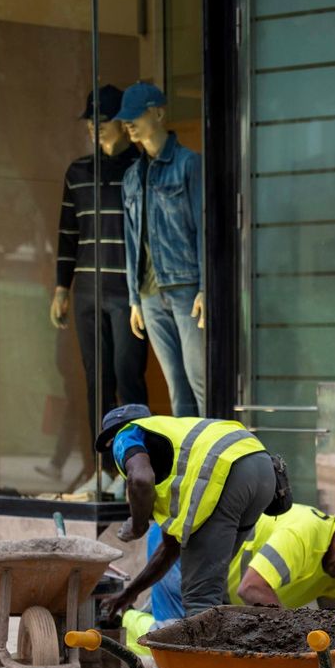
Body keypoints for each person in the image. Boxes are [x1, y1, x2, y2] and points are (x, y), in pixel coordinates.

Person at [97, 404, 290, 620]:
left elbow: (140, 479)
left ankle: (204, 653)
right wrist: (129, 594)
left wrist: (137, 526)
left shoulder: (126, 434)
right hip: (261, 468)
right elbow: (169, 550)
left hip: (224, 474)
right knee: (210, 587)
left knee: (200, 598)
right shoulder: (172, 443)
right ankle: (231, 647)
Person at [50, 85, 147, 495]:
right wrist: (61, 288)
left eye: (101, 119)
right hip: (88, 290)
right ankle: (103, 469)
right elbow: (68, 232)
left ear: (121, 124)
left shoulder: (140, 169)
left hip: (126, 293)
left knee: (130, 381)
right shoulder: (77, 172)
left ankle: (137, 470)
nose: (94, 126)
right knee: (97, 383)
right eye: (90, 120)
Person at [120, 505, 335, 652]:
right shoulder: (303, 535)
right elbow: (252, 588)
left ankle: (146, 609)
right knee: (176, 642)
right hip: (184, 553)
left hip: (217, 581)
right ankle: (124, 622)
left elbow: (332, 622)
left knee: (205, 640)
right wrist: (293, 639)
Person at [114, 82, 208, 417]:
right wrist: (134, 298)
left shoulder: (189, 165)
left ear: (158, 112)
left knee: (201, 382)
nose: (129, 124)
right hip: (150, 296)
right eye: (125, 119)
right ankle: (189, 463)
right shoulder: (131, 178)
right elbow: (130, 239)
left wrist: (204, 287)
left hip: (185, 289)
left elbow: (203, 227)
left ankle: (216, 460)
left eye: (135, 115)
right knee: (176, 388)